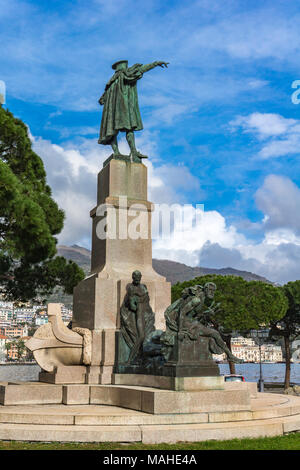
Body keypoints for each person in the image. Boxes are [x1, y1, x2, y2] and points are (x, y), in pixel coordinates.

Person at [98, 60, 169, 162]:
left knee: (112, 130)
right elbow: (142, 69)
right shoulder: (125, 75)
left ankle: (119, 152)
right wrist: (155, 63)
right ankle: (132, 151)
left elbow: (102, 100)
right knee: (129, 128)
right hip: (124, 108)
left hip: (114, 112)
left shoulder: (112, 82)